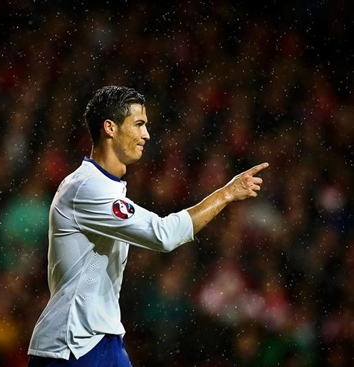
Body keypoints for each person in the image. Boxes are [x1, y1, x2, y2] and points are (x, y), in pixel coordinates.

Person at [27, 86, 268, 366]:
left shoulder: (104, 186)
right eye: (138, 125)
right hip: (71, 348)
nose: (146, 135)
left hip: (102, 339)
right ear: (110, 128)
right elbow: (163, 235)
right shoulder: (87, 188)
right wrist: (226, 193)